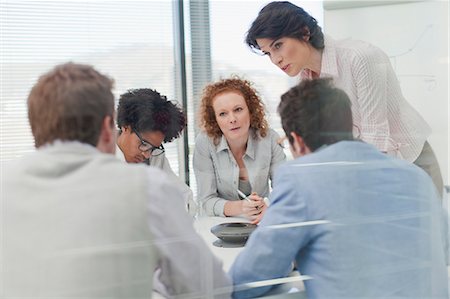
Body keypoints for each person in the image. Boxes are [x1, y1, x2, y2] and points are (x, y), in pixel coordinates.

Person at [1, 62, 230, 298]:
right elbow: (211, 285)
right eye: (144, 144)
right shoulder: (145, 188)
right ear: (110, 127)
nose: (147, 153)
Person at [230, 78, 448, 298]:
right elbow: (444, 248)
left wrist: (293, 252)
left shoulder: (300, 178)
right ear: (350, 127)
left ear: (297, 140)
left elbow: (248, 278)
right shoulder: (416, 176)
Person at [245, 1, 444, 196]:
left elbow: (376, 139)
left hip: (411, 165)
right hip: (365, 169)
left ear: (304, 32)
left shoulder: (361, 58)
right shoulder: (303, 80)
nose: (275, 59)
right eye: (268, 53)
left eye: (278, 45)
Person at [193, 77, 286, 223]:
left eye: (238, 109)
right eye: (223, 114)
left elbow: (284, 189)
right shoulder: (204, 143)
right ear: (215, 119)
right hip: (218, 225)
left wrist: (269, 206)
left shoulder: (270, 139)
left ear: (250, 110)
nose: (232, 119)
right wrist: (241, 207)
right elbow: (206, 201)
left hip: (262, 220)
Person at [116, 88, 195, 215]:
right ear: (126, 127)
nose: (147, 154)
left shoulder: (155, 156)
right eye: (144, 144)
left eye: (153, 148)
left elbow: (185, 199)